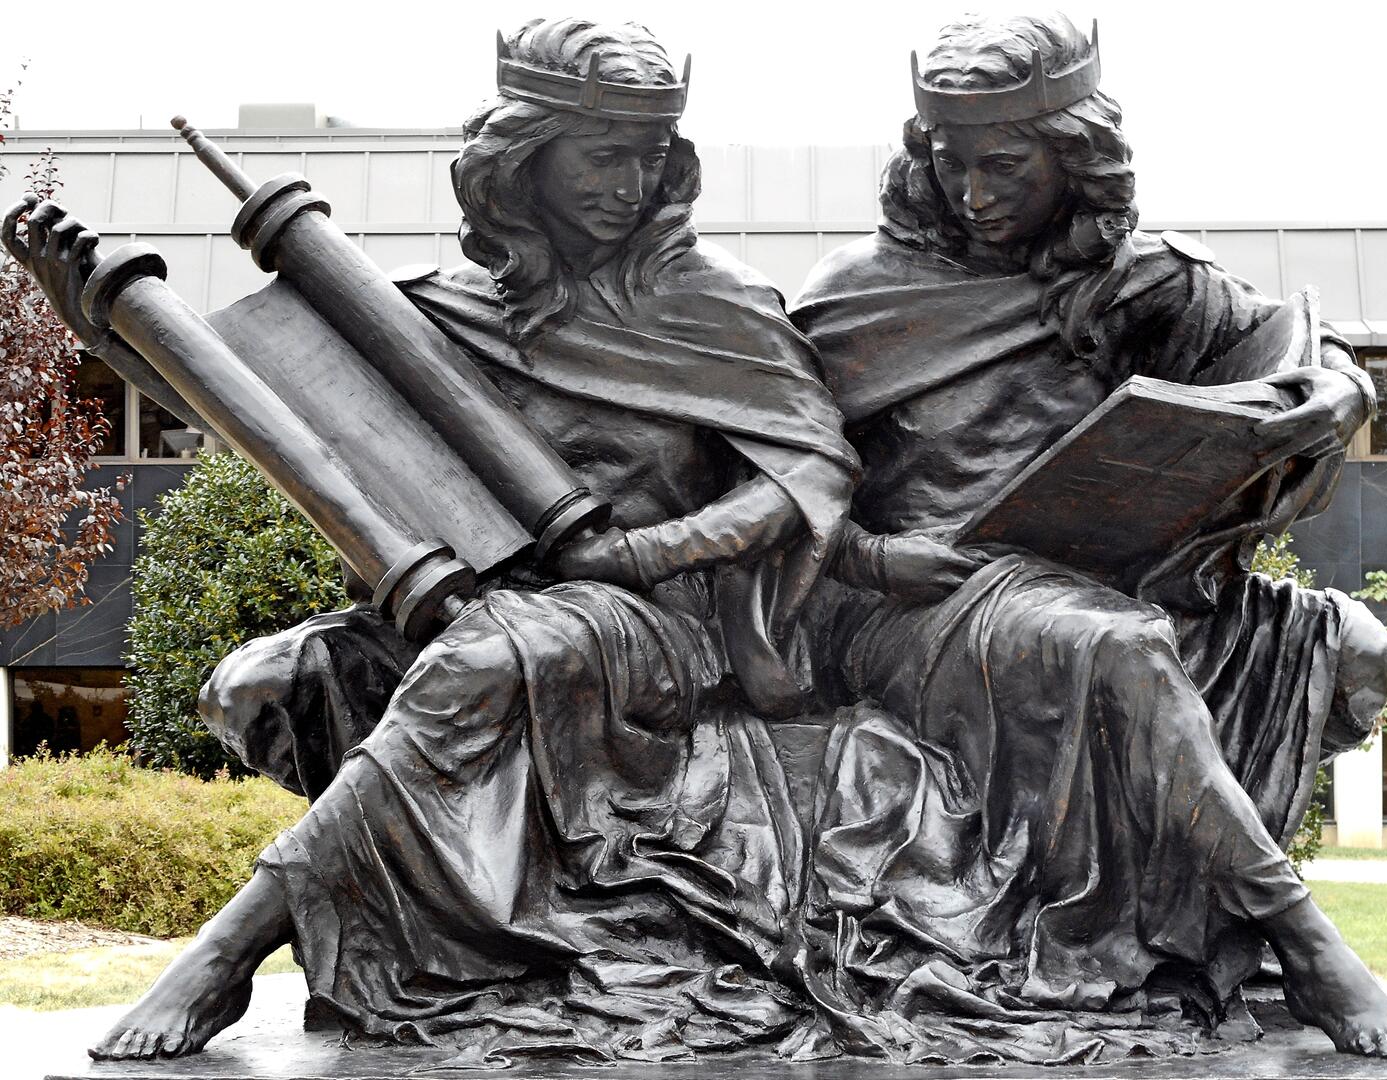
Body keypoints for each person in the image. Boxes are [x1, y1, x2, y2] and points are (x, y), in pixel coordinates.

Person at [7, 18, 855, 1062]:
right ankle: (428, 937)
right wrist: (104, 325)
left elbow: (807, 477)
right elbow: (271, 419)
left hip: (657, 626)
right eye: (600, 153)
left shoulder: (709, 301)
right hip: (477, 595)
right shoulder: (434, 313)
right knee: (265, 682)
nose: (627, 184)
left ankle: (225, 955)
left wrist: (635, 555)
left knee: (495, 656)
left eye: (649, 156)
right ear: (523, 162)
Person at [789, 13, 1387, 1063]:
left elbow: (1303, 352)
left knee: (1351, 646)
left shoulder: (1146, 284)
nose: (976, 193)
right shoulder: (856, 296)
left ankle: (1203, 925)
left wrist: (1335, 394)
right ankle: (1303, 939)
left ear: (1075, 161)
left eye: (1006, 165)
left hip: (1110, 581)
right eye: (952, 164)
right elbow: (779, 494)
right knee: (1116, 645)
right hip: (917, 602)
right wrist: (876, 559)